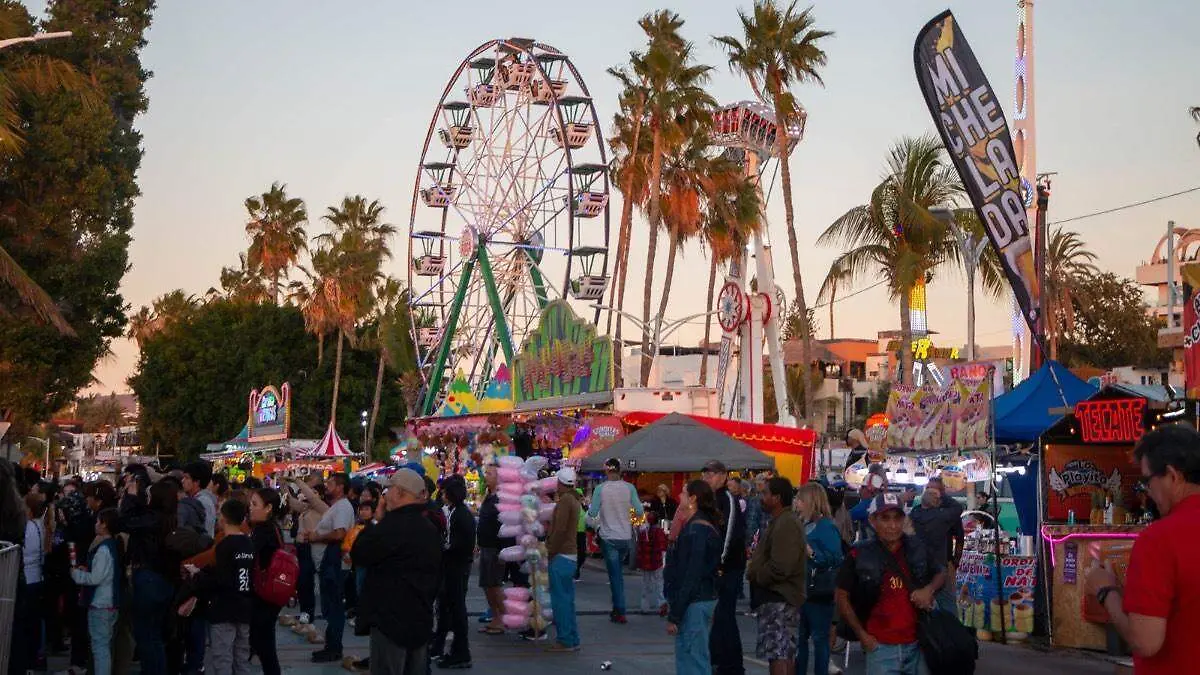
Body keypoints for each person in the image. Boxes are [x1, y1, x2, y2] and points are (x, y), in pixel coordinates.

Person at [1084, 424, 1200, 674]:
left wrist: (1106, 591)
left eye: (1147, 480)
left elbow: (1145, 641)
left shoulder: (1160, 539)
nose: (1147, 491)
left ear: (1172, 476)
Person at [835, 493, 944, 675]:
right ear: (872, 520)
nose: (892, 526)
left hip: (918, 645)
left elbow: (940, 572)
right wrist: (862, 635)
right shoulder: (859, 554)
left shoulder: (917, 547)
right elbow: (841, 595)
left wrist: (928, 590)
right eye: (885, 518)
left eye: (897, 518)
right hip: (880, 649)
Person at [351, 469, 442, 675]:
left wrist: (375, 521)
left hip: (389, 620)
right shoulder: (428, 527)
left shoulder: (391, 526)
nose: (384, 495)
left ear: (399, 493)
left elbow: (360, 553)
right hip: (420, 616)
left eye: (388, 489)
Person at [747, 476, 806, 675]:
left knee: (780, 653)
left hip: (779, 599)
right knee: (781, 652)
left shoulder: (786, 523)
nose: (761, 497)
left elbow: (782, 566)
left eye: (765, 493)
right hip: (776, 598)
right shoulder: (780, 521)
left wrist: (757, 574)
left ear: (777, 498)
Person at [665, 480, 723, 675]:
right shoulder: (697, 526)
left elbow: (692, 573)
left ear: (693, 498)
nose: (679, 496)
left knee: (693, 657)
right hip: (697, 599)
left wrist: (676, 613)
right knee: (690, 655)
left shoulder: (697, 530)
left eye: (683, 493)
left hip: (696, 600)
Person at [191, 499, 255, 675]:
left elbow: (220, 579)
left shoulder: (224, 545)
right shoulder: (249, 544)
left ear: (224, 518)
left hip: (224, 607)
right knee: (241, 657)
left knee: (222, 658)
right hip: (245, 607)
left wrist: (198, 575)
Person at [301, 472, 354, 663]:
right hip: (330, 559)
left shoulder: (342, 507)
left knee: (334, 605)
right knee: (329, 603)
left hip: (335, 560)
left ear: (340, 487)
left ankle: (334, 648)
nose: (327, 485)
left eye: (330, 483)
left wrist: (317, 537)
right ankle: (331, 646)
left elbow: (340, 534)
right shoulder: (336, 507)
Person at [795, 483, 845, 675]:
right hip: (804, 589)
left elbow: (835, 558)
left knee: (819, 640)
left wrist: (812, 553)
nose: (797, 503)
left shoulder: (826, 527)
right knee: (801, 639)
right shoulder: (805, 524)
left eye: (800, 500)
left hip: (819, 591)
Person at [703, 459, 748, 675]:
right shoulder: (711, 500)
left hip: (729, 566)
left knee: (725, 615)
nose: (707, 478)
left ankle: (732, 665)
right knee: (719, 615)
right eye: (705, 475)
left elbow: (728, 533)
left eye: (711, 474)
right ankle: (718, 659)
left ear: (723, 476)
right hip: (718, 566)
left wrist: (719, 564)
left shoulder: (727, 499)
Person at [587, 457, 643, 624]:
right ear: (620, 471)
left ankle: (620, 610)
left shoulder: (601, 489)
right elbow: (639, 511)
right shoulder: (629, 488)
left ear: (606, 470)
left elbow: (592, 512)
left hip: (608, 536)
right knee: (617, 574)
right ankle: (617, 609)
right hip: (625, 536)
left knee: (615, 575)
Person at [432, 474, 476, 669]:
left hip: (456, 569)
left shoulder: (460, 515)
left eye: (444, 491)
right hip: (453, 568)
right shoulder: (456, 512)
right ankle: (454, 650)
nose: (441, 495)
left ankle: (461, 652)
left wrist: (443, 547)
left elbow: (458, 545)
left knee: (457, 610)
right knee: (451, 609)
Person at [907, 476, 964, 612]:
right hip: (939, 567)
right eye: (929, 489)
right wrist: (956, 561)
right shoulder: (945, 515)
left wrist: (955, 561)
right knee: (947, 607)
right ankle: (947, 631)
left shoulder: (915, 513)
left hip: (919, 566)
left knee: (921, 605)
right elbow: (958, 508)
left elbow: (959, 537)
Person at [546, 467, 583, 653]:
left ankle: (565, 640)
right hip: (570, 556)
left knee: (560, 601)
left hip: (560, 555)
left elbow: (559, 531)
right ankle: (572, 637)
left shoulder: (565, 502)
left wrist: (550, 551)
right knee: (568, 600)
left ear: (560, 483)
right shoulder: (574, 500)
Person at [248, 487, 285, 675]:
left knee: (263, 644)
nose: (250, 508)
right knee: (264, 643)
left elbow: (249, 556)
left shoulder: (264, 531)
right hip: (270, 594)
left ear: (268, 507)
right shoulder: (271, 528)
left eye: (255, 504)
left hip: (264, 595)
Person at [286, 477, 325, 625]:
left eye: (314, 492)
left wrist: (298, 482)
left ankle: (309, 611)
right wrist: (284, 485)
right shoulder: (305, 508)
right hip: (301, 548)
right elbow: (291, 501)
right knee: (303, 581)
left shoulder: (322, 509)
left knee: (307, 580)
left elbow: (312, 497)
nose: (310, 495)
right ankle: (306, 611)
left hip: (313, 547)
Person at [476, 464, 507, 635]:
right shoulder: (489, 496)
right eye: (485, 473)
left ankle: (501, 619)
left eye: (489, 473)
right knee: (487, 585)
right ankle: (495, 617)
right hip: (486, 546)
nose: (485, 476)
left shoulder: (502, 498)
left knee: (494, 585)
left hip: (496, 547)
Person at [636, 510, 668, 615]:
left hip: (646, 562)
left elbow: (639, 548)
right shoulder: (659, 532)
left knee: (646, 584)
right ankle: (662, 602)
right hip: (657, 562)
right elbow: (663, 546)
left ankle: (644, 606)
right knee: (659, 584)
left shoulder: (643, 532)